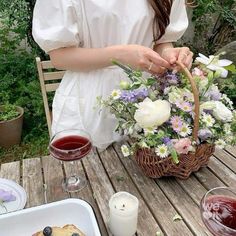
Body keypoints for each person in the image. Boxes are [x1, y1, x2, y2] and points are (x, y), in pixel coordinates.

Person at [32, 0, 193, 149]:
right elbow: (59, 57)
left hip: (146, 103)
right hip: (89, 101)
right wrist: (120, 55)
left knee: (146, 171)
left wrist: (168, 54)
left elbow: (161, 41)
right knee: (88, 173)